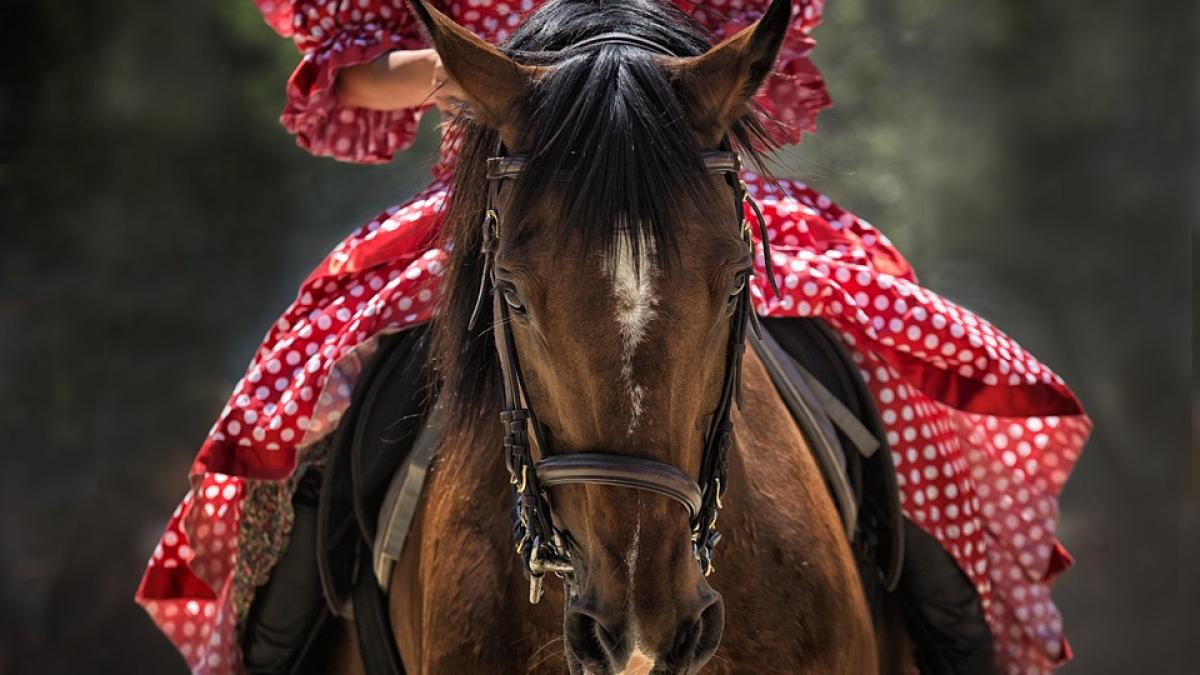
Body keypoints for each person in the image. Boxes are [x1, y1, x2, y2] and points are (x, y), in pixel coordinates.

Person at [135, 0, 1092, 673]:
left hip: (676, 182)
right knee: (317, 408)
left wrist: (643, 77)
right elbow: (355, 73)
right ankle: (281, 642)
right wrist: (501, 76)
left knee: (891, 365)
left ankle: (958, 631)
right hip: (514, 191)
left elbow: (754, 42)